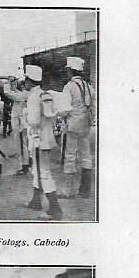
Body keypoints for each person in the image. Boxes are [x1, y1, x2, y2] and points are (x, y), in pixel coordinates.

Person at [24, 62, 63, 220]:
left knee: (43, 173)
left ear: (30, 80)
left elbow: (33, 121)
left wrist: (25, 114)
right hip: (46, 137)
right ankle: (35, 201)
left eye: (26, 79)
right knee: (38, 170)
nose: (24, 82)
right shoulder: (45, 94)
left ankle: (55, 209)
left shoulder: (33, 97)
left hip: (38, 139)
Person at [58, 56, 95, 199]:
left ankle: (68, 191)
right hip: (85, 124)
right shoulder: (89, 86)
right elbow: (93, 107)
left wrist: (60, 116)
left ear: (71, 71)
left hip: (72, 125)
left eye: (68, 70)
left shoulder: (69, 87)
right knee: (86, 156)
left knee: (70, 156)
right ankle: (85, 190)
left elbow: (64, 109)